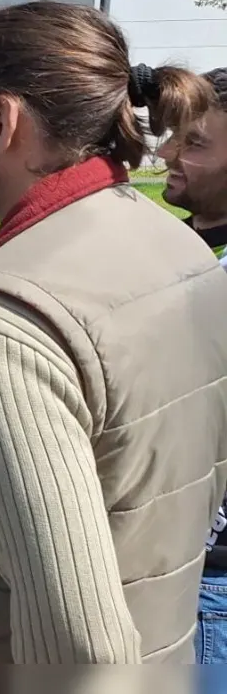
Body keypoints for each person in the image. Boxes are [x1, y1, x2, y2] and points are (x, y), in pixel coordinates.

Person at [0, 0, 227, 663]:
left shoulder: (0, 316)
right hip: (169, 646)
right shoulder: (180, 250)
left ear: (3, 121)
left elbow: (78, 640)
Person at [151, 66, 227, 662]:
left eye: (194, 143)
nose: (167, 151)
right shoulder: (174, 247)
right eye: (174, 133)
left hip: (210, 581)